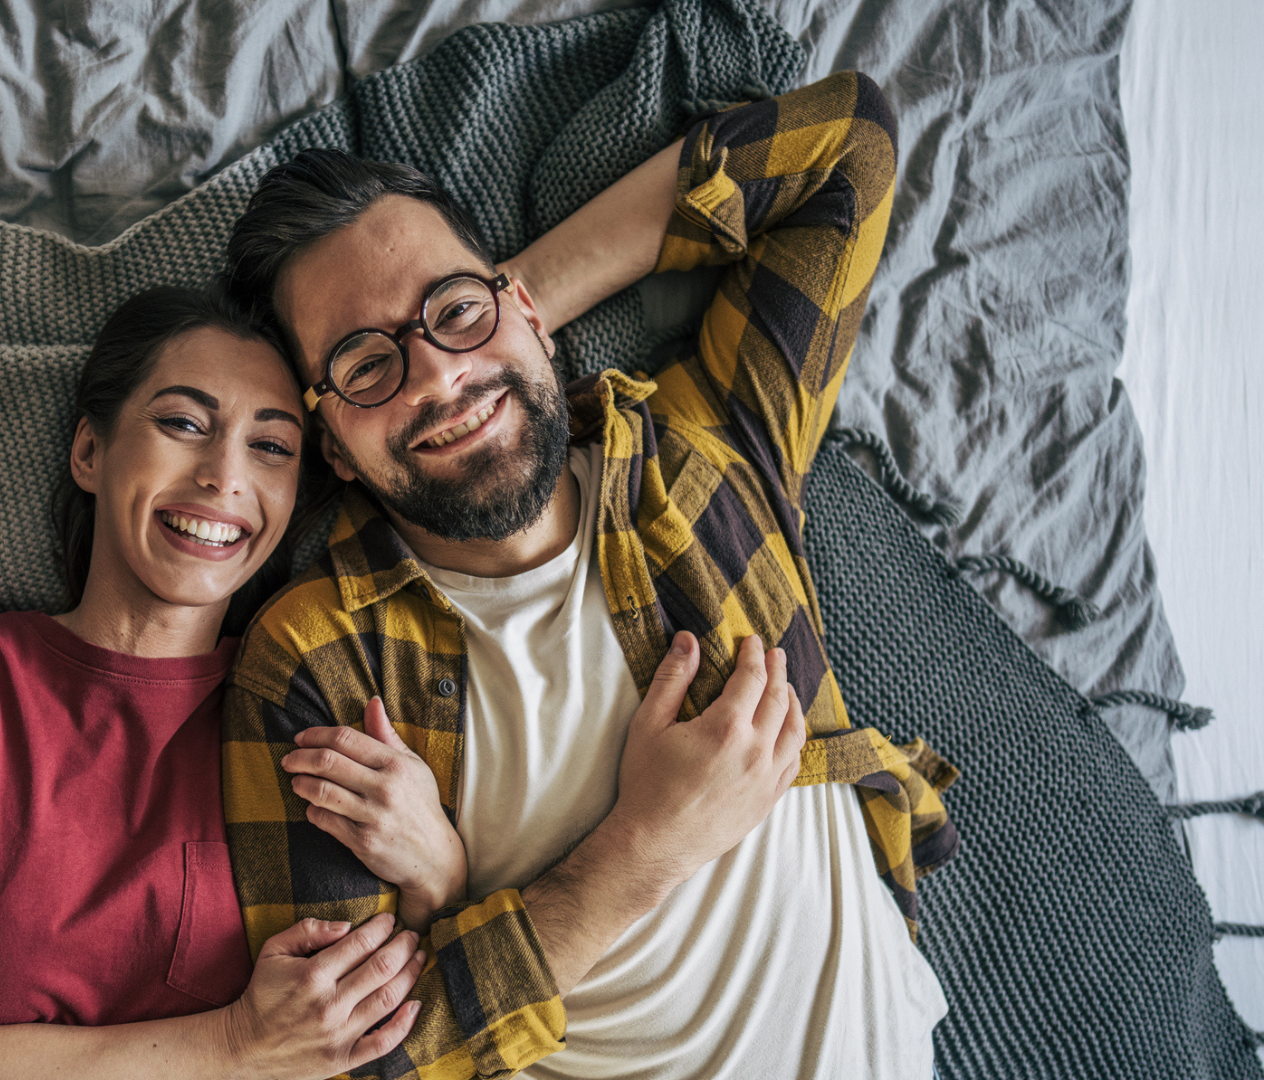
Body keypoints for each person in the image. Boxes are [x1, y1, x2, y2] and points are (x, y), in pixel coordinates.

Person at [220, 70, 959, 1079]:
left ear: (524, 301)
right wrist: (641, 852)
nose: (434, 374)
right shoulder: (316, 661)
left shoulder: (705, 457)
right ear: (332, 448)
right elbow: (338, 1065)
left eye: (454, 309)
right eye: (364, 367)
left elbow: (846, 152)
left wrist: (506, 322)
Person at [0, 285, 477, 1080]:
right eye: (182, 424)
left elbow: (378, 1024)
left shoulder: (312, 703)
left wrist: (439, 873)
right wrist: (231, 1045)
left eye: (271, 447)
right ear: (90, 453)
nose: (223, 476)